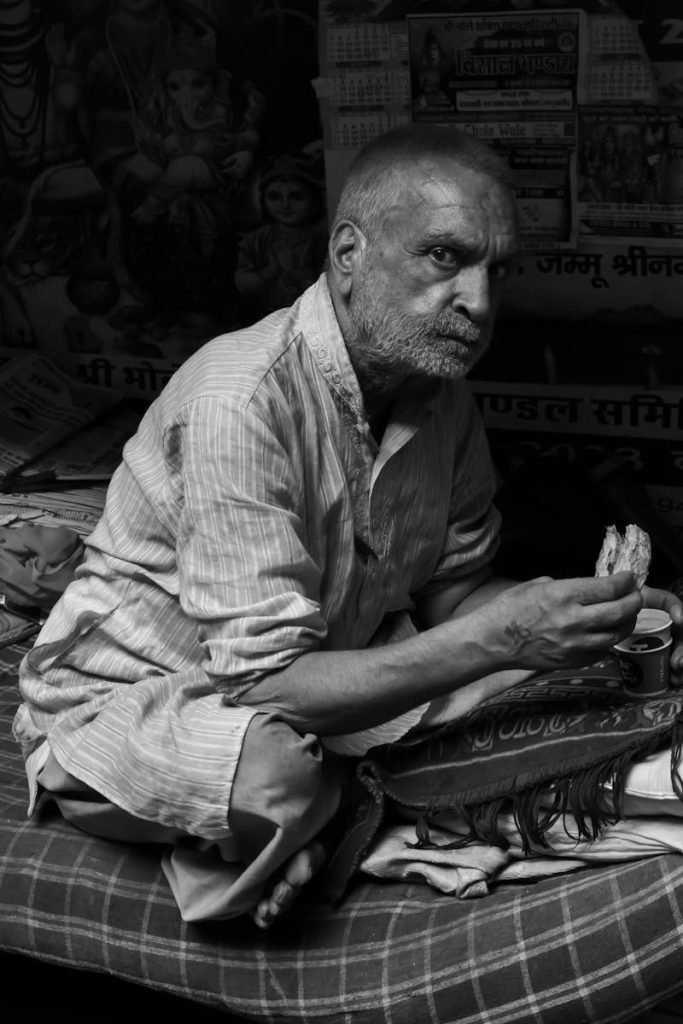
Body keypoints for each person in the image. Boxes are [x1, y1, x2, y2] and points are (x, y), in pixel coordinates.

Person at [13, 124, 683, 931]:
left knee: (571, 675)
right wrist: (501, 638)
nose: (478, 302)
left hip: (331, 668)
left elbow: (452, 589)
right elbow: (262, 684)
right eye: (444, 257)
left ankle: (317, 821)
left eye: (494, 271)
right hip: (145, 697)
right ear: (348, 253)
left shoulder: (439, 395)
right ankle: (312, 815)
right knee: (276, 776)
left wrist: (562, 613)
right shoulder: (239, 400)